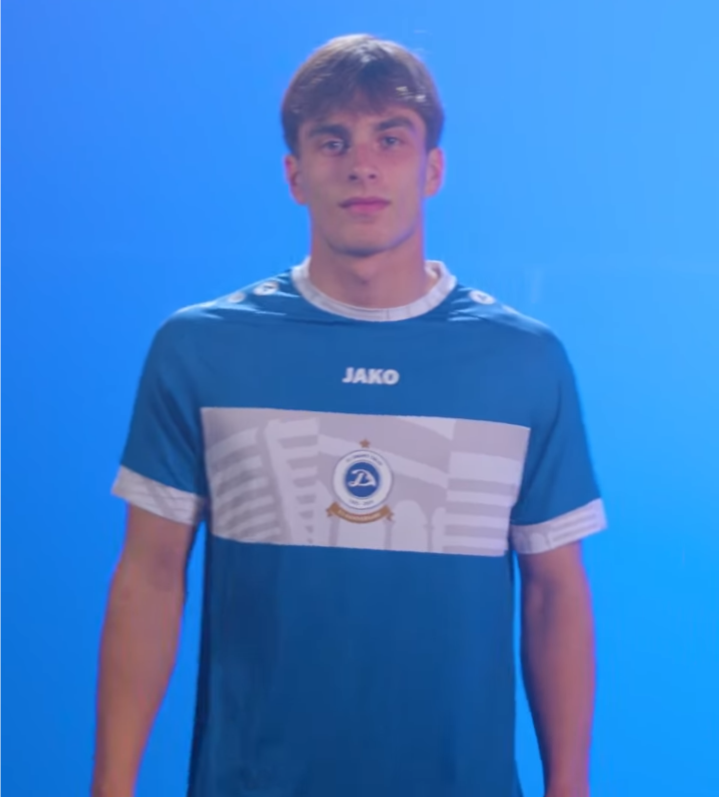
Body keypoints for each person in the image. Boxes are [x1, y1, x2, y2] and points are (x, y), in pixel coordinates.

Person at [91, 34, 603, 797]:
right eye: (333, 141)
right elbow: (150, 574)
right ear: (295, 174)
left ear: (432, 169)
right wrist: (111, 785)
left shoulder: (522, 361)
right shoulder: (202, 350)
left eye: (389, 139)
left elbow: (553, 592)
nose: (362, 165)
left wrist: (570, 786)